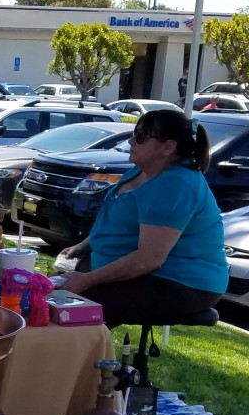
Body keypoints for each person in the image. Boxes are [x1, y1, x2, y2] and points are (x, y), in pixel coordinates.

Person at [59, 108, 227, 329]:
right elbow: (119, 226)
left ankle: (83, 362)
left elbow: (150, 258)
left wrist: (88, 279)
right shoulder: (140, 171)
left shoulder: (176, 184)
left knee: (71, 310)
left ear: (168, 147)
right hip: (142, 272)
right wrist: (81, 248)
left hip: (180, 283)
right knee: (44, 291)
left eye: (140, 136)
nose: (131, 141)